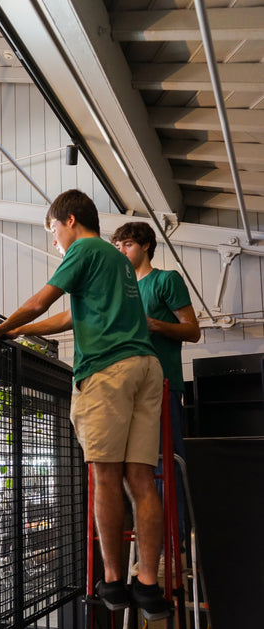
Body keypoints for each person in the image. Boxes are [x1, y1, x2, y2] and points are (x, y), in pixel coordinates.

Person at [0, 189, 169, 620]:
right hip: (147, 368)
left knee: (105, 477)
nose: (55, 241)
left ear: (70, 219)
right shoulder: (116, 261)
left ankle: (112, 579)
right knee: (142, 480)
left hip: (108, 370)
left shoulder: (84, 248)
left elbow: (41, 301)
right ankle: (148, 584)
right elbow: (69, 317)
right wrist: (22, 332)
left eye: (54, 230)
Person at [111, 222, 200, 558]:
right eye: (117, 245)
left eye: (128, 244)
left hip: (163, 386)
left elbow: (193, 331)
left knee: (167, 464)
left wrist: (154, 325)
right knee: (135, 468)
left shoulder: (166, 280)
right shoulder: (118, 289)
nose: (121, 250)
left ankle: (172, 549)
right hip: (127, 389)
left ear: (146, 246)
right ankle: (150, 549)